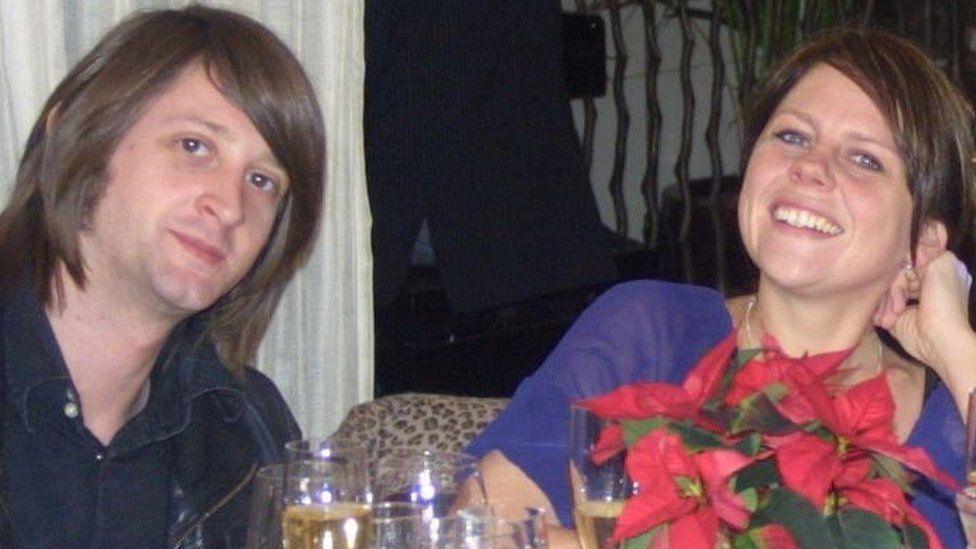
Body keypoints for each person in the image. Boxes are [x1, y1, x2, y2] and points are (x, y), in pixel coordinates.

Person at [468, 28, 976, 548]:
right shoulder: (653, 331)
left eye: (865, 159)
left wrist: (956, 347)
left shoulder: (952, 418)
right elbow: (484, 529)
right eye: (792, 136)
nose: (810, 167)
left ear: (922, 243)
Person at [0, 6, 324, 548]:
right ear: (77, 138)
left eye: (262, 180)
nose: (230, 206)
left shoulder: (246, 425)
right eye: (194, 146)